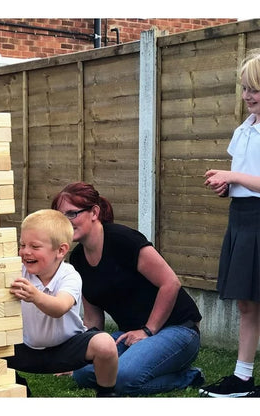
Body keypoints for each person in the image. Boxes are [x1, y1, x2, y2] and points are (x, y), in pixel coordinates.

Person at [51, 182, 203, 396]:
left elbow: (171, 283)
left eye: (72, 214)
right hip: (129, 335)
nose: (66, 222)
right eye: (61, 217)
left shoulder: (123, 240)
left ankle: (188, 376)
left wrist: (148, 331)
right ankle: (144, 363)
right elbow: (93, 319)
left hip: (178, 329)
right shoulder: (77, 258)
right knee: (83, 373)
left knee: (120, 378)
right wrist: (76, 356)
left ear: (94, 212)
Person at [6, 209, 119, 397]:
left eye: (34, 246)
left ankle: (107, 395)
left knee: (105, 344)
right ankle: (20, 391)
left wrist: (35, 295)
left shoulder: (69, 275)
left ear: (61, 250)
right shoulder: (17, 271)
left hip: (67, 348)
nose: (25, 252)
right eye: (22, 244)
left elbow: (60, 307)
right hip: (26, 348)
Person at [201, 51, 260, 398]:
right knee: (246, 303)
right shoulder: (243, 129)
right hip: (240, 219)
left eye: (256, 89)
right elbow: (245, 181)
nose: (249, 95)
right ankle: (242, 379)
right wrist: (227, 187)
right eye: (244, 89)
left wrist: (232, 175)